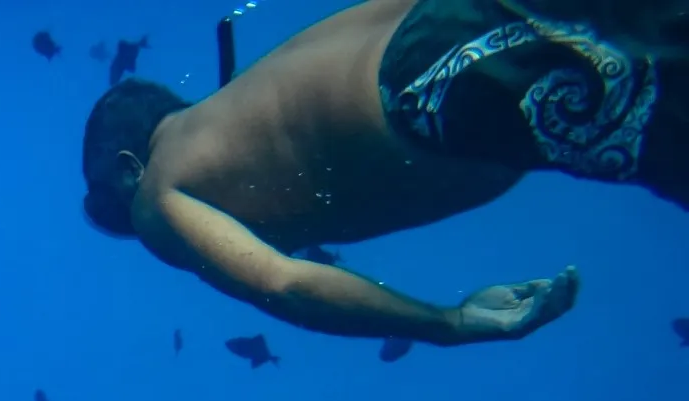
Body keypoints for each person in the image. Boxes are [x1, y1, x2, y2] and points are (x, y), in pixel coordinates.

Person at [81, 0, 688, 346]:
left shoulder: (157, 193)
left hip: (432, 78)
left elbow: (283, 281)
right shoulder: (246, 97)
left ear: (127, 168)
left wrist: (447, 322)